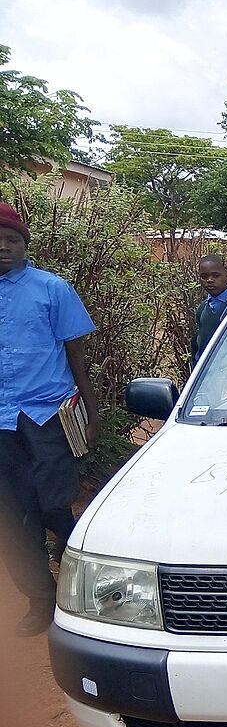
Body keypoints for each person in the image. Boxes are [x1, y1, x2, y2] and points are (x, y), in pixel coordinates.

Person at [0, 201, 99, 636]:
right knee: (11, 515)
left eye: (11, 240)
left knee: (54, 503)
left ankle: (82, 571)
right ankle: (40, 599)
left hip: (47, 415)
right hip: (1, 423)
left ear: (25, 244)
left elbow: (76, 357)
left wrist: (92, 414)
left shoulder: (52, 288)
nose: (3, 247)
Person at [192, 253, 227, 363]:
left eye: (216, 276)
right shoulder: (202, 308)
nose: (210, 280)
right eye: (204, 277)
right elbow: (199, 344)